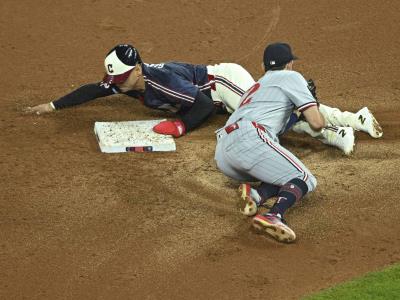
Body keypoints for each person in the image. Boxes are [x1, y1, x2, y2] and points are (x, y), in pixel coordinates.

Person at [214, 42, 327, 243]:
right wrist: (312, 104)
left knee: (282, 174)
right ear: (289, 64)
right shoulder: (291, 76)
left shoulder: (255, 88)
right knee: (304, 178)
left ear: (263, 66)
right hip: (250, 138)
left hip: (224, 152)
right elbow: (317, 124)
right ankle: (274, 215)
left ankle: (256, 194)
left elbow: (276, 127)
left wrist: (297, 115)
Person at [25, 44, 255, 137]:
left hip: (224, 82)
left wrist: (180, 125)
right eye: (115, 79)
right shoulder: (126, 81)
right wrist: (52, 105)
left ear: (137, 69)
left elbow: (203, 105)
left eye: (123, 78)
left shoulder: (161, 81)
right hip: (217, 101)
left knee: (262, 118)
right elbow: (94, 90)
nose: (118, 84)